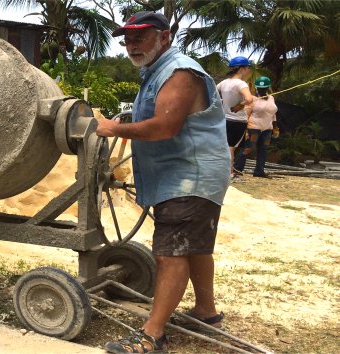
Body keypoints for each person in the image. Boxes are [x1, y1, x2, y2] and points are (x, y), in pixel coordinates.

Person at [97, 12, 230, 353]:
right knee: (195, 246)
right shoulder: (156, 73)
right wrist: (125, 121)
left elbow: (164, 127)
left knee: (171, 252)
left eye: (140, 37)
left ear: (165, 37)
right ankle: (206, 312)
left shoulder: (179, 71)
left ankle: (152, 335)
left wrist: (113, 129)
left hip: (189, 174)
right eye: (127, 39)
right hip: (189, 173)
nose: (131, 45)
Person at [217, 56, 255, 178]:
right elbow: (249, 99)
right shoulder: (241, 84)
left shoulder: (223, 83)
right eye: (248, 67)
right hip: (238, 121)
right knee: (231, 147)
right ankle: (229, 173)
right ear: (242, 69)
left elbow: (213, 95)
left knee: (226, 145)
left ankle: (224, 171)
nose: (249, 70)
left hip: (225, 119)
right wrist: (240, 105)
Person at [233, 76, 278, 178]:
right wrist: (246, 130)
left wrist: (275, 127)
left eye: (264, 88)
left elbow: (273, 114)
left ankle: (259, 171)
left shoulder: (271, 98)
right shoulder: (252, 99)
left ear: (268, 88)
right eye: (260, 88)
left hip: (267, 128)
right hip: (254, 127)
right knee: (249, 148)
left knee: (263, 149)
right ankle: (237, 168)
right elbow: (246, 114)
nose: (262, 90)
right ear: (257, 88)